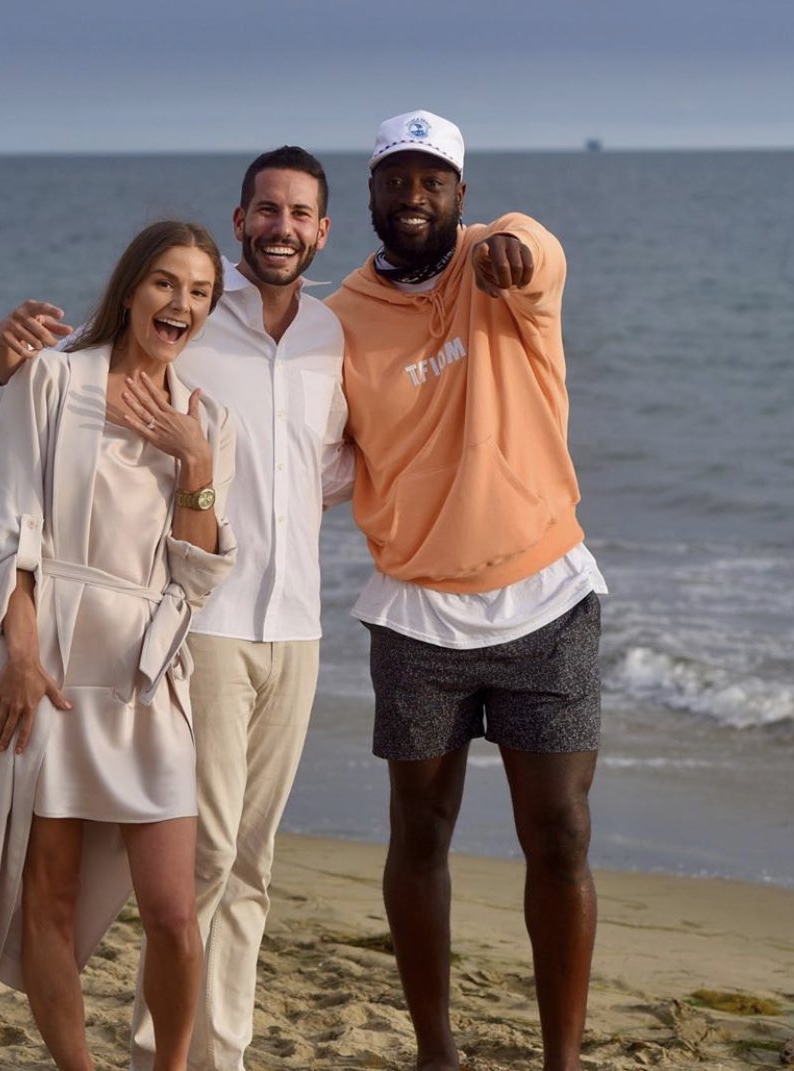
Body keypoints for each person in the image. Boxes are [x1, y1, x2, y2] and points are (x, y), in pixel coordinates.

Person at [0, 147, 349, 1071]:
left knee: (247, 863)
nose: (281, 226)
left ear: (322, 230)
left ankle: (210, 1055)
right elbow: (41, 411)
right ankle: (164, 1053)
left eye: (300, 213)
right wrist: (1, 354)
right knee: (196, 865)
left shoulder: (329, 335)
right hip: (179, 640)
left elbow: (343, 459)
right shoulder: (192, 320)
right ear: (240, 223)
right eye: (265, 209)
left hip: (293, 620)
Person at [0, 220, 238, 1071]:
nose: (182, 304)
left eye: (200, 292)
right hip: (53, 664)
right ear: (130, 288)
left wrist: (194, 458)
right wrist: (21, 658)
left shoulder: (205, 420)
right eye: (166, 283)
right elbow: (11, 531)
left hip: (143, 677)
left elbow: (195, 573)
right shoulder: (51, 380)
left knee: (173, 908)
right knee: (46, 894)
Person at [326, 110, 607, 1071]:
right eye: (394, 181)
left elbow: (540, 249)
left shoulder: (502, 260)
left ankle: (559, 1061)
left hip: (546, 596)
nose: (412, 197)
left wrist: (515, 253)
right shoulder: (341, 318)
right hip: (415, 612)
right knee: (419, 831)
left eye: (431, 181)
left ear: (460, 194)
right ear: (368, 196)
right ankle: (435, 1052)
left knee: (560, 832)